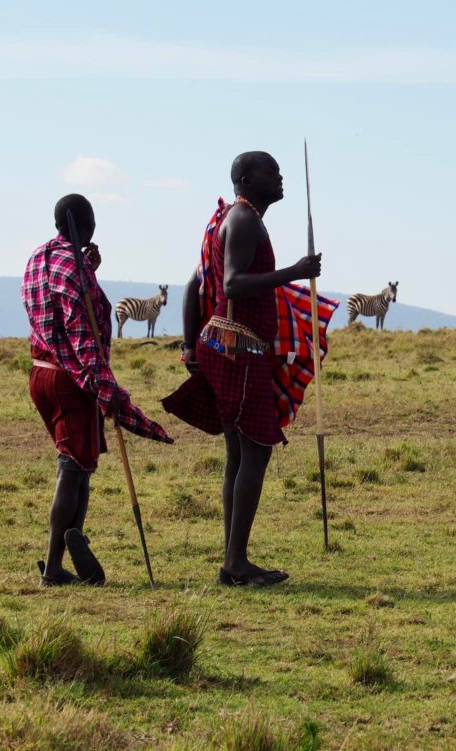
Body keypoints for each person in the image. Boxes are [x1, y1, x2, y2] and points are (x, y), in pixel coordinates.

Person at [163, 151, 332, 587]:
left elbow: (196, 283)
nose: (279, 178)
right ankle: (235, 563)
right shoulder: (243, 220)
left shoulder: (239, 219)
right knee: (253, 450)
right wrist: (293, 271)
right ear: (245, 179)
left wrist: (189, 345)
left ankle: (233, 560)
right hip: (238, 348)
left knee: (240, 455)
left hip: (233, 345)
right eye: (270, 172)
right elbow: (233, 282)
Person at [22, 193, 173, 587]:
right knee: (72, 467)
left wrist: (87, 265)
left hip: (41, 374)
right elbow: (80, 335)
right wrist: (107, 392)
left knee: (78, 461)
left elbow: (54, 306)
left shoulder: (40, 258)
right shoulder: (75, 270)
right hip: (70, 379)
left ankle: (74, 541)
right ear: (86, 225)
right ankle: (54, 568)